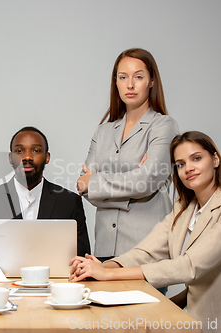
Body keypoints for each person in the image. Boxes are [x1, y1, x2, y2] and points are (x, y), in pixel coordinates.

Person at [70, 131, 221, 332]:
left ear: (215, 159)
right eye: (180, 164)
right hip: (191, 315)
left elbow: (190, 266)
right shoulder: (183, 207)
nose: (188, 168)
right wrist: (106, 266)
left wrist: (108, 275)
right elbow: (147, 252)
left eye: (196, 158)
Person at [77, 48, 179, 262]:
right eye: (123, 77)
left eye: (138, 77)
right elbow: (82, 186)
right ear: (116, 82)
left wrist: (97, 183)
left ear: (151, 81)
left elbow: (147, 180)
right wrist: (133, 183)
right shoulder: (103, 132)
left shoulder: (163, 126)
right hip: (104, 249)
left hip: (146, 251)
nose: (130, 85)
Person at [0, 126, 91, 262]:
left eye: (36, 150)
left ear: (47, 157)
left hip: (54, 281)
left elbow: (82, 255)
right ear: (11, 158)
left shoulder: (69, 202)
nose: (27, 157)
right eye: (19, 151)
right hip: (2, 281)